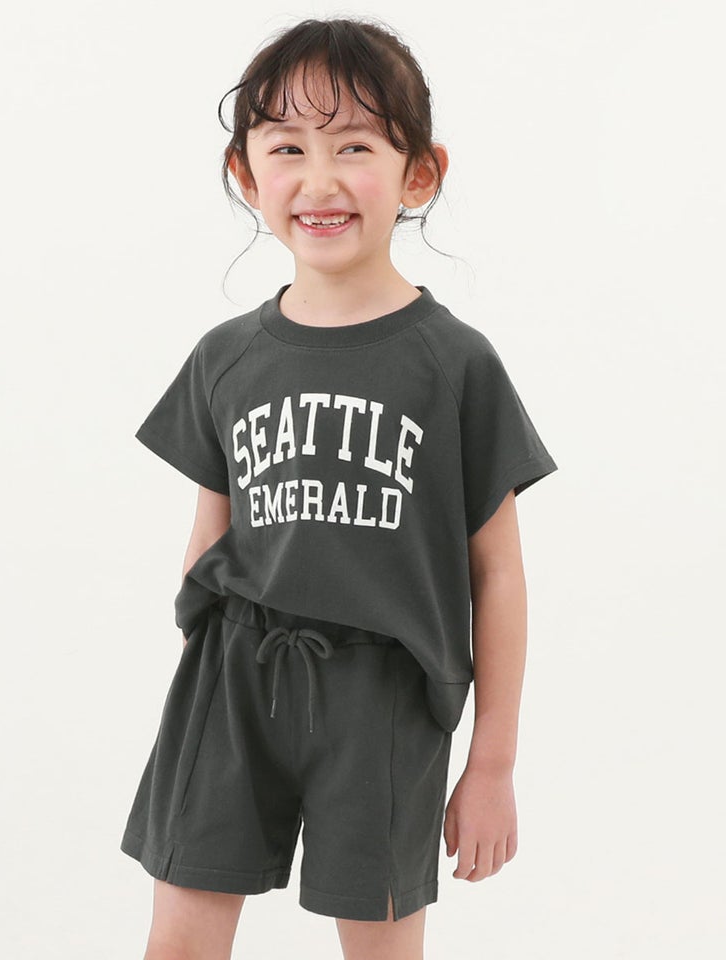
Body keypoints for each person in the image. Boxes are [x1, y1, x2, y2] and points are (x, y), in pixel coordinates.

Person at [120, 16, 558, 960]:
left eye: (354, 146)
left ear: (419, 173)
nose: (318, 181)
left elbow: (499, 574)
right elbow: (211, 529)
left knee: (382, 947)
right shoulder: (227, 356)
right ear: (246, 175)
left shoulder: (455, 365)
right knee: (179, 939)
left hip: (385, 692)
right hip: (233, 678)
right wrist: (201, 660)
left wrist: (492, 761)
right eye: (287, 148)